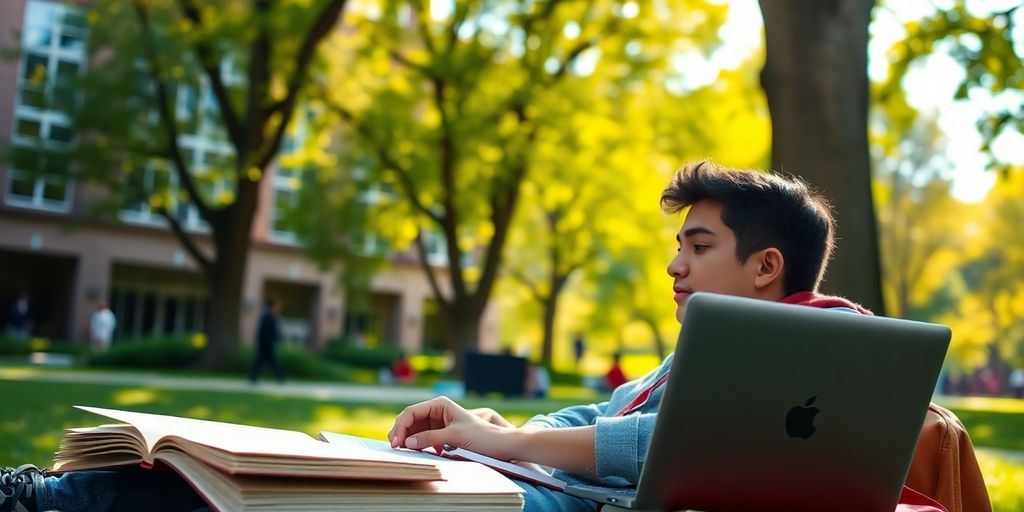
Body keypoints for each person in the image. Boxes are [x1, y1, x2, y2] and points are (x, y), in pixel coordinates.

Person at [0, 161, 914, 512]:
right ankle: (55, 490)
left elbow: (656, 450)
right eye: (676, 244)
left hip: (561, 503)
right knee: (310, 459)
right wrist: (481, 420)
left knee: (300, 496)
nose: (675, 264)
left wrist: (500, 441)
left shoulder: (817, 349)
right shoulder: (716, 342)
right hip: (537, 480)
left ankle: (42, 504)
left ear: (766, 266)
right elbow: (613, 409)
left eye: (699, 245)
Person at [248, 298, 285, 384]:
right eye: (276, 305)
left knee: (261, 361)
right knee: (269, 361)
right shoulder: (268, 316)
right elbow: (267, 332)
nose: (278, 307)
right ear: (272, 306)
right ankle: (281, 377)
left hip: (266, 344)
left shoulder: (269, 316)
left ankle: (253, 378)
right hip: (266, 344)